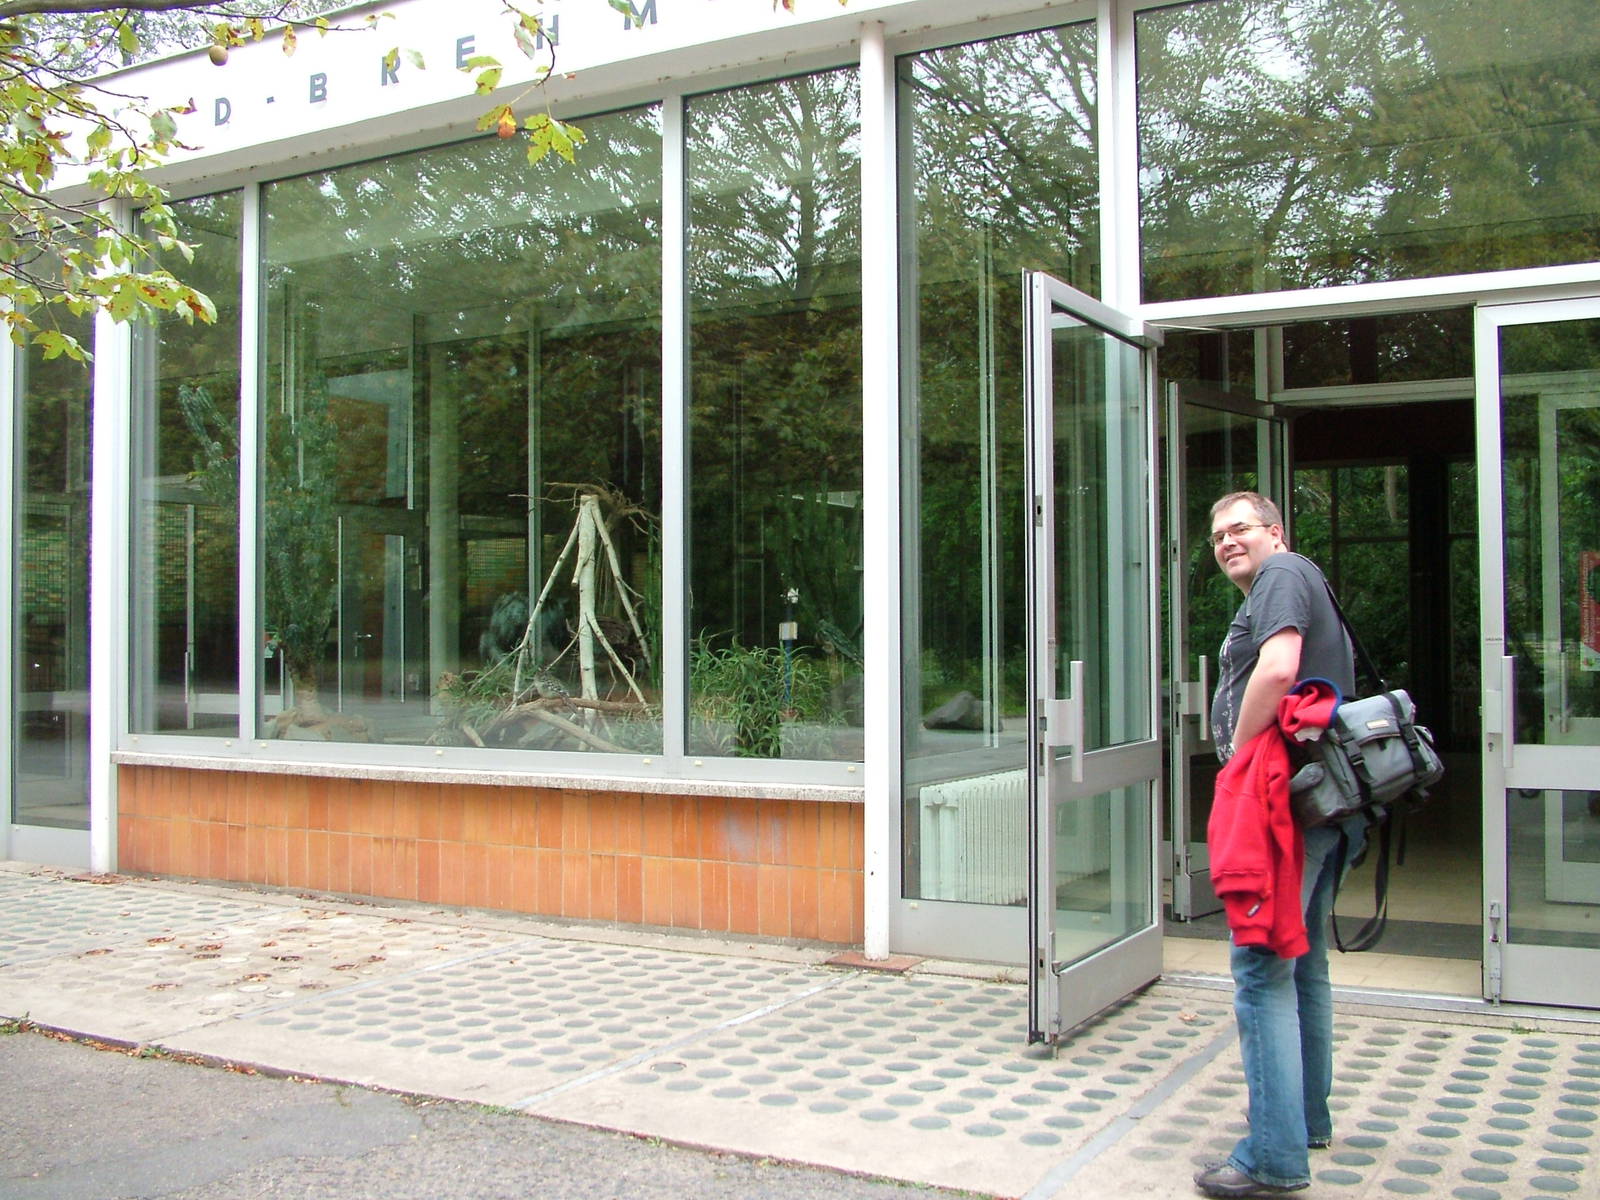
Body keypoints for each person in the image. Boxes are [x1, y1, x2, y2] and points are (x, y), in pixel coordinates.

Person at [1193, 491, 1364, 1200]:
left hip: (1287, 812)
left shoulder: (1282, 574)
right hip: (1318, 805)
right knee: (1304, 964)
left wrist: (1235, 754)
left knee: (1261, 972)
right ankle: (1305, 1122)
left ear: (1275, 532)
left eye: (1240, 528)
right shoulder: (1291, 576)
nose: (1227, 541)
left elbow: (1278, 667)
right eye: (1217, 535)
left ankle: (1273, 1158)